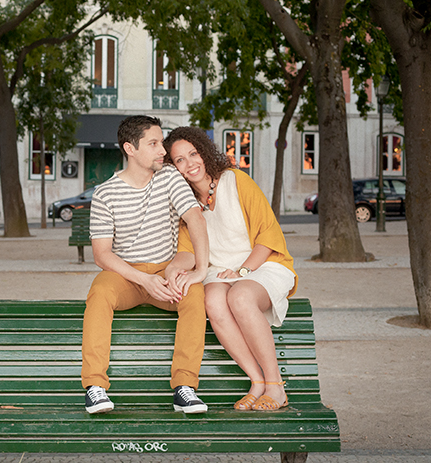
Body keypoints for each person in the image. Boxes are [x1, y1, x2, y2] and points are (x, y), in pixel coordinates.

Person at [81, 115, 211, 414]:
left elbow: (195, 218)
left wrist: (199, 270)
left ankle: (185, 388)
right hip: (126, 276)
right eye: (153, 144)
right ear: (130, 148)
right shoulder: (105, 194)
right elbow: (102, 255)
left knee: (194, 293)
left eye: (161, 143)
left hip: (166, 273)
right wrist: (143, 279)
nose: (162, 151)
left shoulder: (169, 177)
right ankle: (95, 387)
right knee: (99, 294)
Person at [162, 126, 298, 411]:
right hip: (220, 271)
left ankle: (275, 386)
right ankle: (257, 381)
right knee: (211, 299)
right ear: (173, 168)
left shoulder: (236, 181)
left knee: (240, 296)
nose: (190, 164)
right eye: (180, 160)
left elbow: (269, 236)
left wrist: (243, 272)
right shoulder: (184, 205)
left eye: (193, 154)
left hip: (262, 265)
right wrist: (174, 269)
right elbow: (187, 252)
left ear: (205, 152)